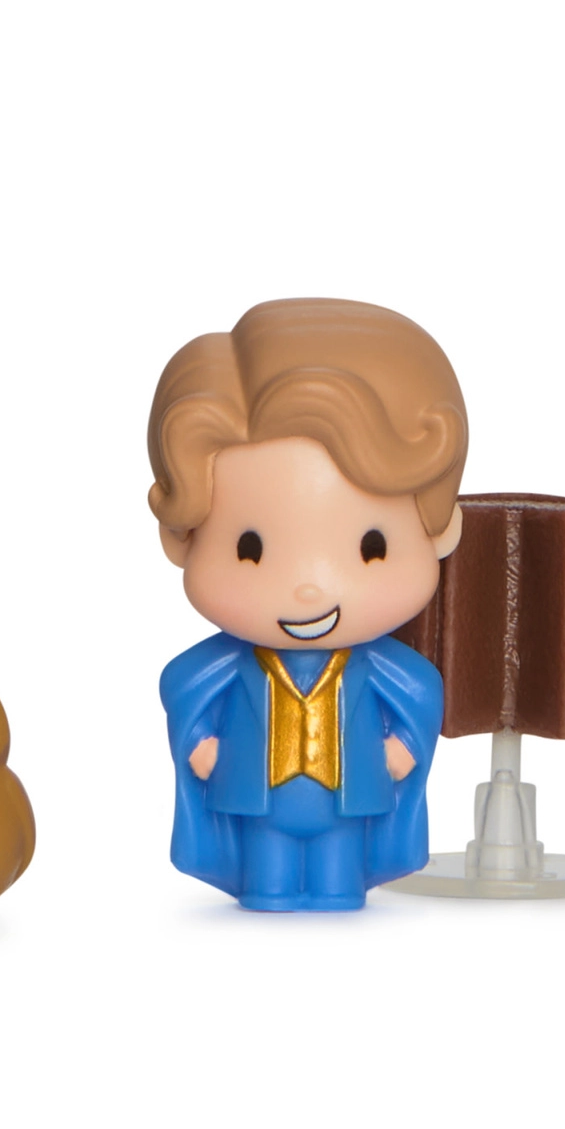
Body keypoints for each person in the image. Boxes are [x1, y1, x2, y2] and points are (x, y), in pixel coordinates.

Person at [149, 299, 468, 911]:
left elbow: (420, 695)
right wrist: (200, 743)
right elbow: (181, 686)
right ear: (179, 540)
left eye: (371, 546)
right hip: (258, 804)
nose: (309, 588)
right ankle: (267, 887)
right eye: (249, 549)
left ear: (441, 530)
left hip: (348, 806)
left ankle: (336, 885)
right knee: (269, 877)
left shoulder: (383, 670)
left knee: (335, 876)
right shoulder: (224, 667)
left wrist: (404, 745)